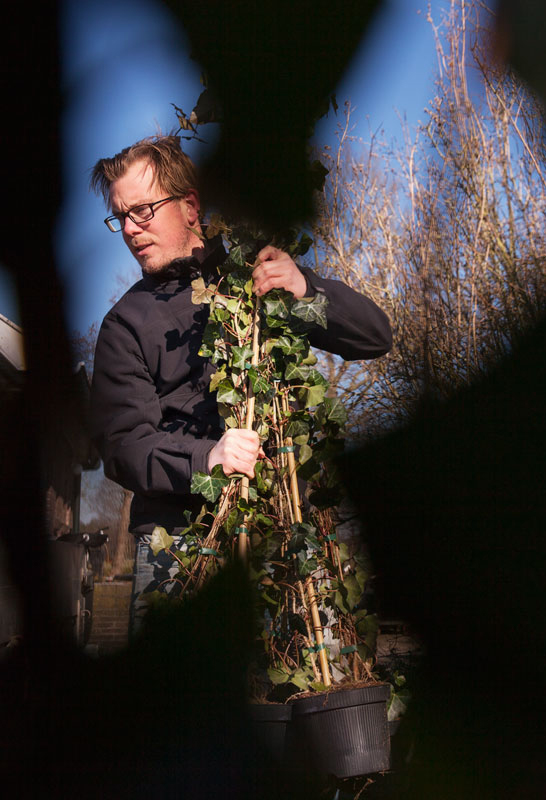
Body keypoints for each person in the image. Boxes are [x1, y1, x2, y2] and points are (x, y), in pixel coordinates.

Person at [87, 135, 392, 635]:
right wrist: (206, 458)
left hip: (284, 531)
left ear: (189, 206)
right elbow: (122, 445)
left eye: (142, 211)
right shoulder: (125, 324)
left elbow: (374, 336)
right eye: (119, 217)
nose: (129, 230)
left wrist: (305, 289)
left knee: (306, 696)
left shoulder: (256, 276)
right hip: (178, 546)